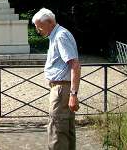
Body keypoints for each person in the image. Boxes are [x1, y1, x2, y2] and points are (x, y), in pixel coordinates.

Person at [32, 8, 81, 150]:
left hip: (61, 89)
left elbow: (75, 65)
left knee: (57, 131)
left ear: (49, 22)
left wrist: (73, 94)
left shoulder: (60, 36)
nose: (37, 29)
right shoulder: (57, 35)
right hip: (61, 88)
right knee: (65, 129)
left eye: (38, 25)